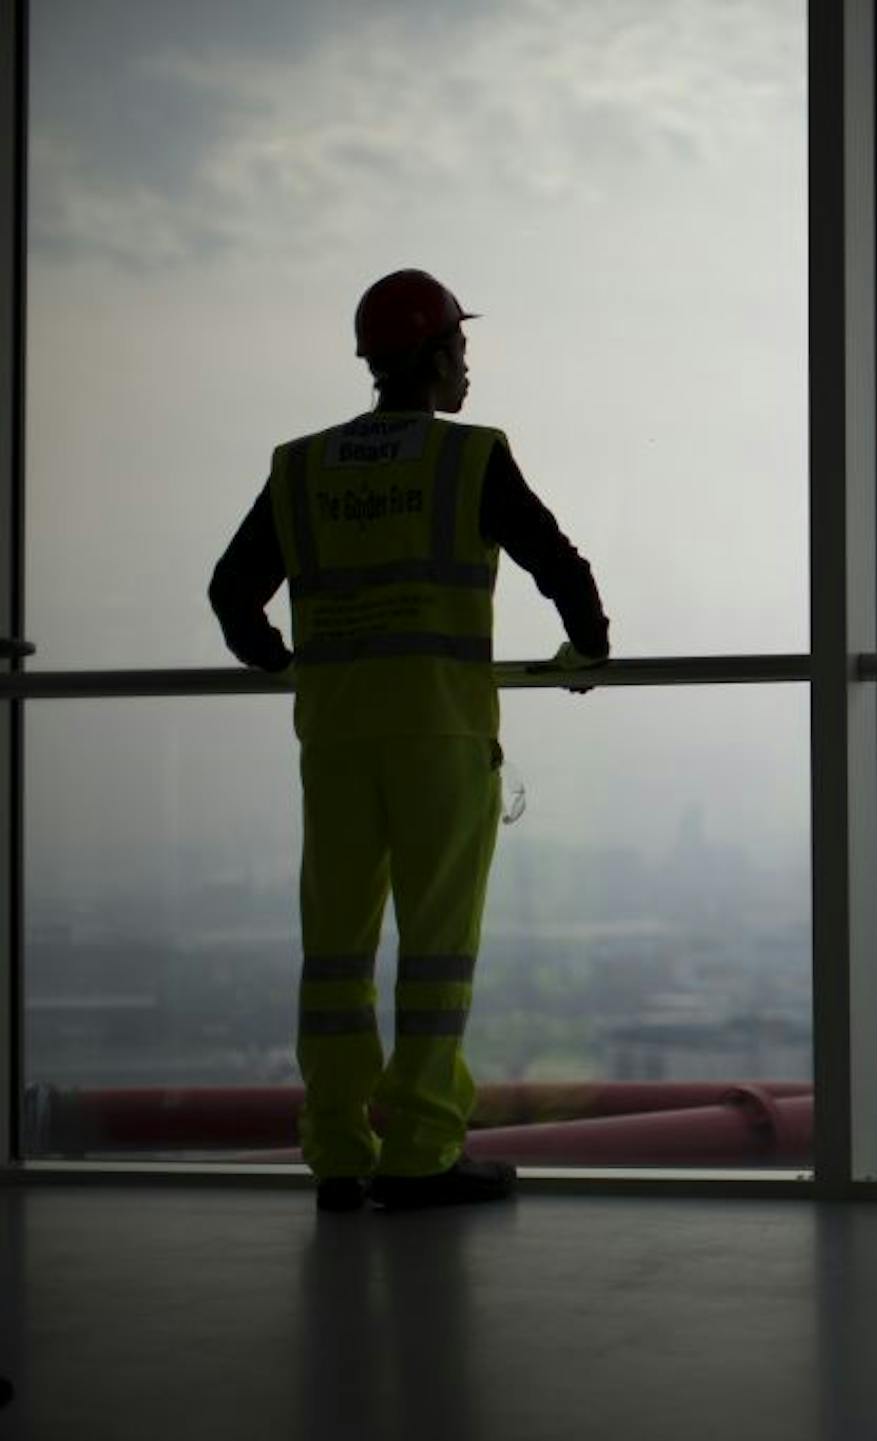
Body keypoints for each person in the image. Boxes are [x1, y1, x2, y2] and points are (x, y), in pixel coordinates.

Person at [209, 269, 610, 1211]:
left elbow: (233, 595)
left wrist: (282, 663)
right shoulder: (468, 458)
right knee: (435, 953)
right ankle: (422, 1148)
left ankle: (339, 1150)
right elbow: (559, 562)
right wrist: (585, 653)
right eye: (461, 350)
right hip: (440, 734)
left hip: (336, 738)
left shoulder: (301, 466)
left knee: (336, 952)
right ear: (433, 358)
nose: (467, 368)